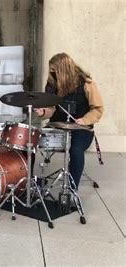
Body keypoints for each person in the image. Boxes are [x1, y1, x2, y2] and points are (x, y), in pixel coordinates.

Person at [34, 53, 104, 189]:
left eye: (54, 70)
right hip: (57, 126)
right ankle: (27, 183)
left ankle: (72, 190)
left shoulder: (87, 83)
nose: (51, 73)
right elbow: (51, 109)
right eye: (50, 70)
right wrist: (43, 112)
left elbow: (98, 109)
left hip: (81, 129)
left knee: (76, 150)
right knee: (28, 142)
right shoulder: (52, 84)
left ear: (64, 70)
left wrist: (85, 120)